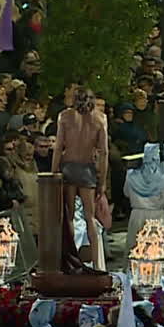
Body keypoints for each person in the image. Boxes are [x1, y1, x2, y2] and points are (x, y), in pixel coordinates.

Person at [53, 89, 109, 267]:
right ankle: (97, 263)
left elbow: (58, 146)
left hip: (68, 166)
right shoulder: (100, 119)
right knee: (89, 217)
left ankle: (71, 260)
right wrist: (103, 181)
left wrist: (54, 172)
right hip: (87, 169)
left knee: (68, 217)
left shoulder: (65, 116)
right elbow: (104, 152)